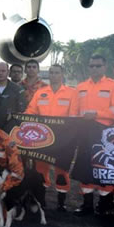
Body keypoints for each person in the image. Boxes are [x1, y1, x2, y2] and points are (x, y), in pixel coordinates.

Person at [74, 55, 114, 216]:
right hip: (84, 133)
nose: (94, 69)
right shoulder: (81, 86)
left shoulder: (113, 86)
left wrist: (96, 114)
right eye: (92, 66)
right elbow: (74, 112)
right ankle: (87, 204)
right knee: (85, 167)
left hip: (104, 133)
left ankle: (105, 203)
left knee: (104, 168)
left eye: (98, 66)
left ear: (104, 67)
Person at [24, 64, 79, 211]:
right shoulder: (41, 92)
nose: (53, 75)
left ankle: (61, 203)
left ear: (62, 74)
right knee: (41, 170)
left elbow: (74, 116)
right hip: (42, 138)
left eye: (56, 73)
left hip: (63, 140)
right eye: (51, 73)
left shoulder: (72, 93)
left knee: (62, 170)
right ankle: (41, 200)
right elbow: (30, 111)